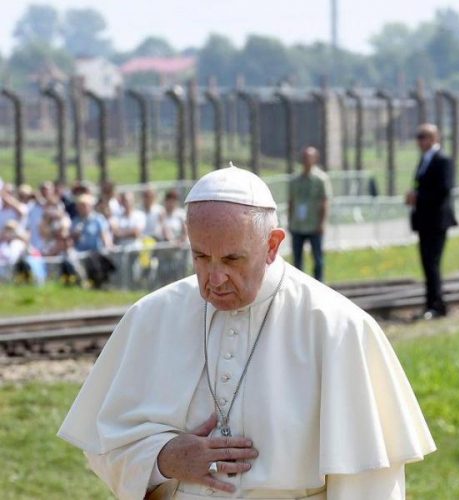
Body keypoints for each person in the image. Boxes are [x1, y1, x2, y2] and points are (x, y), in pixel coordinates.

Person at [58, 164, 435, 500]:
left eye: (232, 259)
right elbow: (106, 444)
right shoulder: (152, 316)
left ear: (272, 245)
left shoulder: (338, 328)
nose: (214, 278)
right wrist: (163, 459)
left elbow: (369, 484)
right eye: (201, 257)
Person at [405, 124, 457, 320]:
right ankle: (431, 303)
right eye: (418, 137)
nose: (419, 141)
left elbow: (443, 189)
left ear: (434, 138)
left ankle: (436, 305)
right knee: (427, 264)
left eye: (423, 136)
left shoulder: (442, 159)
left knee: (432, 263)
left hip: (436, 221)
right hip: (424, 221)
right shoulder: (425, 160)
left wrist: (419, 197)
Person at [288, 147, 332, 282]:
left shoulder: (321, 179)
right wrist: (290, 221)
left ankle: (319, 283)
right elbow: (291, 201)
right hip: (298, 225)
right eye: (304, 157)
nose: (306, 160)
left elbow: (324, 202)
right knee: (297, 259)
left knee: (317, 258)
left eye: (309, 157)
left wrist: (322, 223)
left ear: (315, 159)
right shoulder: (295, 180)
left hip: (314, 225)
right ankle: (298, 285)